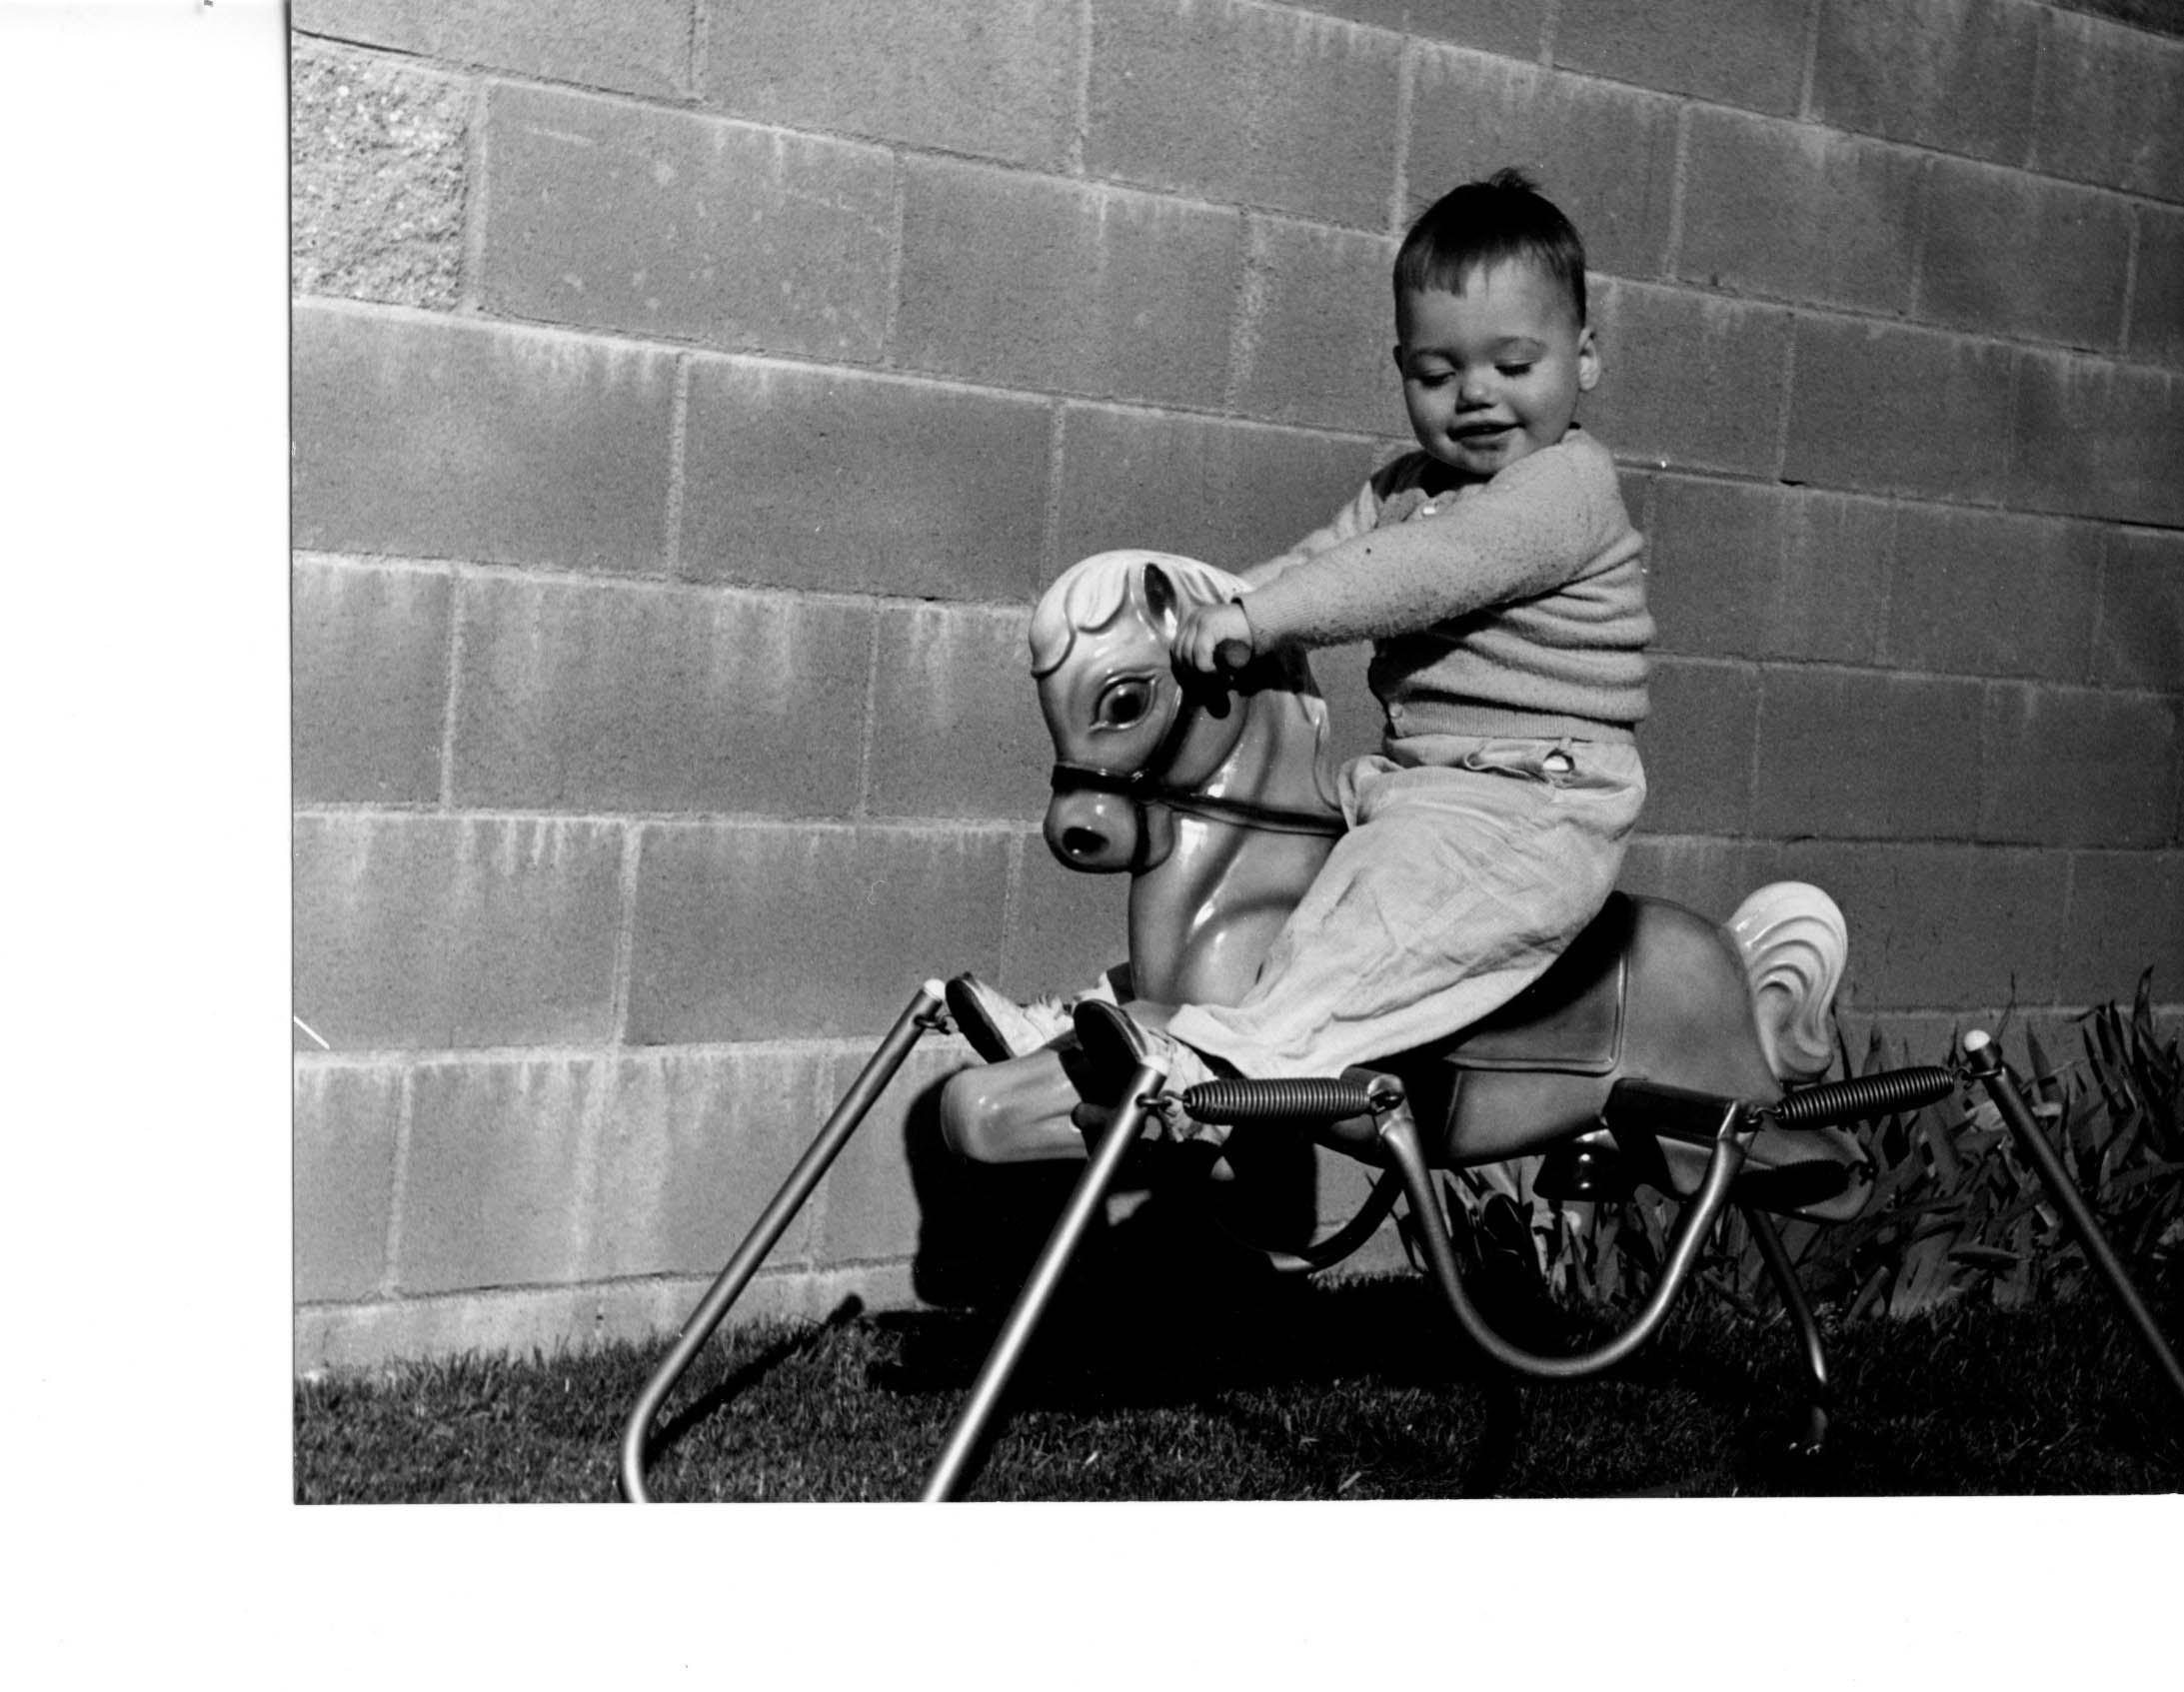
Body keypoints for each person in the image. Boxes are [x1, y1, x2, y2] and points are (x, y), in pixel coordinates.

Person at [965, 168, 1653, 1128]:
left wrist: (1261, 620)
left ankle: (1226, 1059)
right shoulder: (1403, 488)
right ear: (1400, 367)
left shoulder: (1564, 490)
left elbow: (1419, 570)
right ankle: (1106, 1017)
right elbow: (1322, 561)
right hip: (1416, 786)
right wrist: (1218, 615)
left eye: (1512, 365)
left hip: (1535, 797)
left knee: (1378, 919)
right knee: (1275, 891)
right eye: (1436, 374)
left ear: (1584, 358)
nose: (1475, 395)